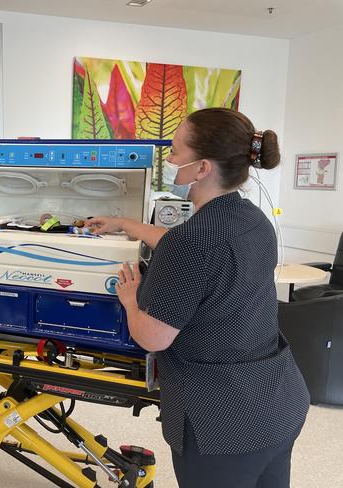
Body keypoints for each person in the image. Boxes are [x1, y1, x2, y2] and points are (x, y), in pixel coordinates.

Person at [86, 108, 309, 488]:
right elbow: (195, 250)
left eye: (174, 152)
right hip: (278, 401)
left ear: (202, 167)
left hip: (222, 423)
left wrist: (130, 298)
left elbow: (153, 338)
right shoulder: (252, 219)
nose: (169, 161)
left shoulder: (192, 241)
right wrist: (125, 225)